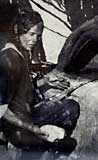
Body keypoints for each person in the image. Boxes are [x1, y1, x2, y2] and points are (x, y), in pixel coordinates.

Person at [0, 10, 80, 157]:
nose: (35, 40)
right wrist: (33, 129)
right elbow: (1, 111)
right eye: (31, 34)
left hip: (26, 113)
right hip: (14, 124)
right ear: (18, 31)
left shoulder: (21, 51)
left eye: (38, 36)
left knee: (71, 106)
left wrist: (46, 81)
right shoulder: (9, 59)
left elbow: (21, 87)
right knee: (66, 138)